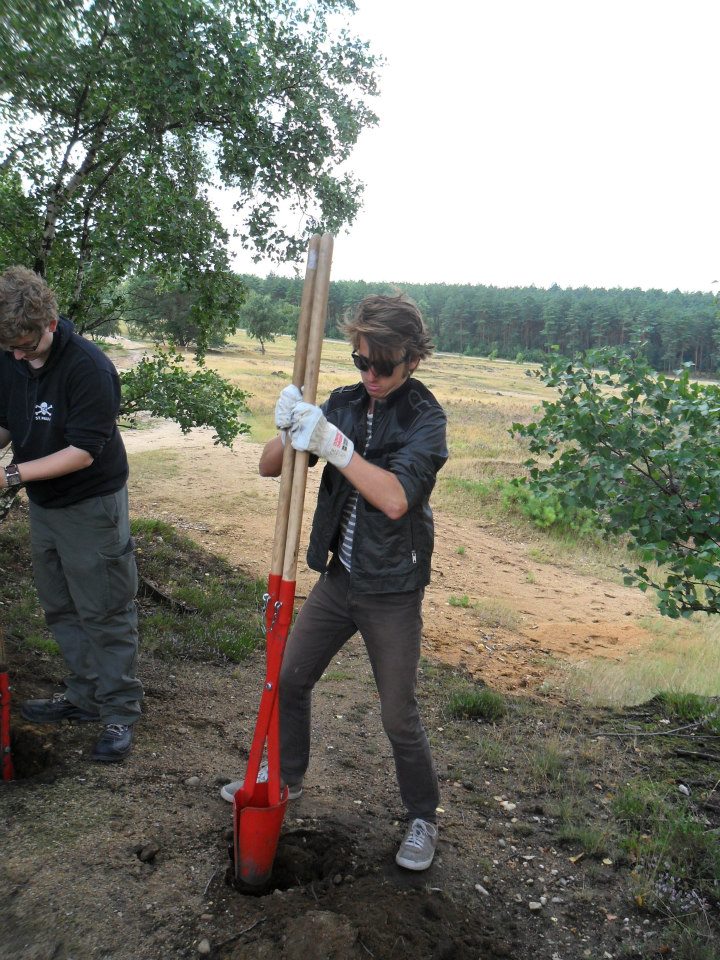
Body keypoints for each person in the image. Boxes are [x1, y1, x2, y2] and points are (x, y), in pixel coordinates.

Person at [222, 294, 448, 871]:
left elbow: (395, 499)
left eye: (384, 365)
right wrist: (289, 425)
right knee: (290, 679)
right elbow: (270, 466)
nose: (370, 376)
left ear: (412, 359)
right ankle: (286, 779)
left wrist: (333, 444)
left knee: (398, 713)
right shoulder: (344, 403)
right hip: (339, 581)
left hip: (392, 589)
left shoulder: (426, 418)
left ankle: (422, 816)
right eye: (360, 362)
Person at [0, 266, 142, 762]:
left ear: (49, 323)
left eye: (25, 346)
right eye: (10, 348)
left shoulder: (89, 368)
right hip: (46, 506)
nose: (18, 356)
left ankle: (120, 710)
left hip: (91, 504)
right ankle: (83, 697)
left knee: (105, 607)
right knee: (60, 604)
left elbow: (83, 451)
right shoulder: (10, 355)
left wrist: (10, 477)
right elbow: (6, 421)